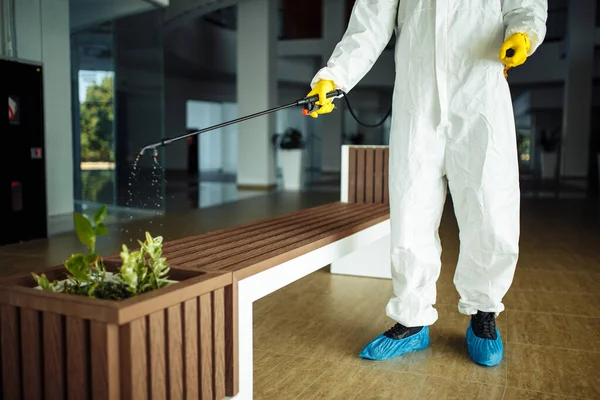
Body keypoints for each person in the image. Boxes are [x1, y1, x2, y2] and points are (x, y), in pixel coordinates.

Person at [306, 1, 547, 367]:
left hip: (480, 93)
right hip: (417, 100)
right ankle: (411, 319)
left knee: (491, 208)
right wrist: (334, 77)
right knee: (410, 210)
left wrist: (523, 34)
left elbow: (526, 5)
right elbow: (369, 24)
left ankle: (483, 314)